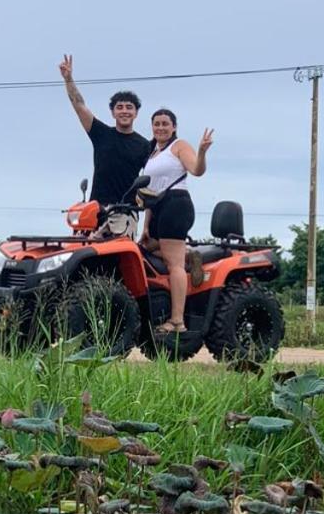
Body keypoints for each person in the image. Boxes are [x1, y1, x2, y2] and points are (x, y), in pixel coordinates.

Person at [139, 109, 213, 335]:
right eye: (156, 124)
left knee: (174, 265)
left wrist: (201, 151)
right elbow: (149, 193)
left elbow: (197, 170)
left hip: (176, 204)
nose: (160, 127)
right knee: (145, 248)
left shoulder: (178, 146)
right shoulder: (152, 153)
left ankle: (177, 321)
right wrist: (145, 227)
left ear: (174, 127)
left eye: (165, 124)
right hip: (157, 207)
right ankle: (190, 257)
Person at [58, 54, 150, 205]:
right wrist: (68, 79)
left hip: (125, 210)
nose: (124, 111)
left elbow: (152, 177)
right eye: (119, 107)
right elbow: (79, 106)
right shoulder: (101, 134)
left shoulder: (144, 145)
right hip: (96, 208)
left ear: (136, 113)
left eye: (129, 107)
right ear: (113, 113)